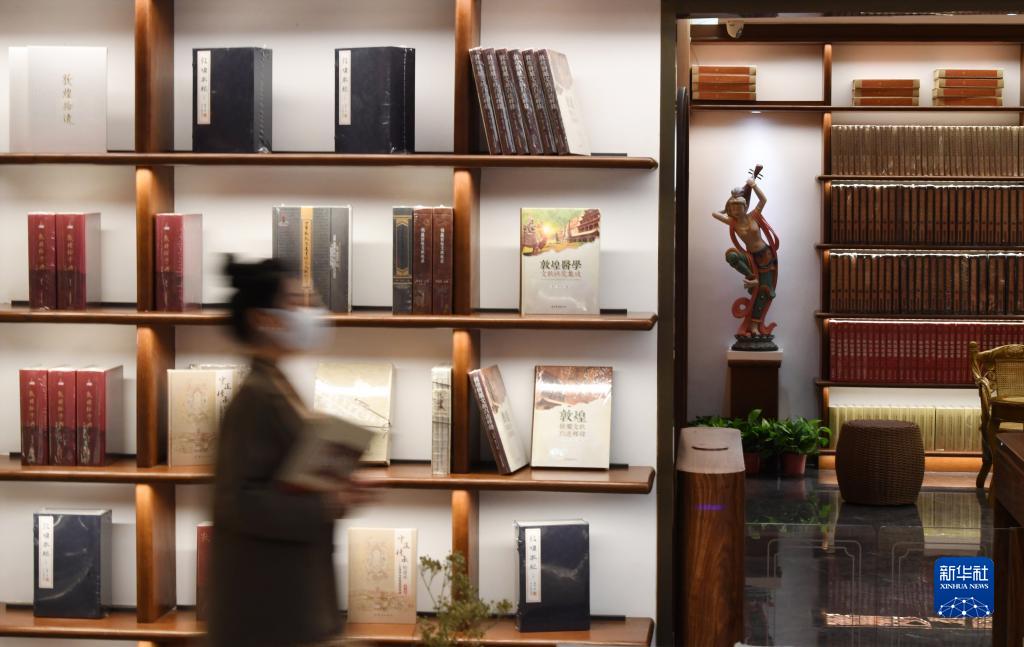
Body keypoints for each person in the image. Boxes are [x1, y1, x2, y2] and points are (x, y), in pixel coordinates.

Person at [208, 257, 366, 647]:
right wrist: (329, 501)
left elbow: (283, 481)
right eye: (297, 303)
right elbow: (238, 502)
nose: (311, 313)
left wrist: (336, 487)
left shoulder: (276, 385)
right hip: (267, 608)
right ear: (264, 319)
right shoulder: (254, 398)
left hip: (288, 594)